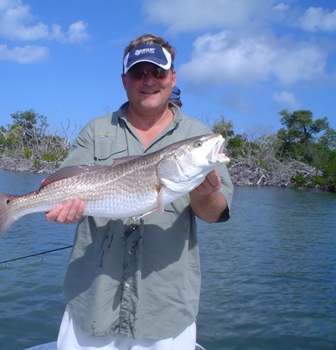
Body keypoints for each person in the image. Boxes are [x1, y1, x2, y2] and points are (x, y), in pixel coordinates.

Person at [45, 34, 234, 350]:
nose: (149, 81)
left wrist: (204, 193)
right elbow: (62, 185)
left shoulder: (197, 135)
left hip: (165, 308)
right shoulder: (96, 130)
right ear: (124, 80)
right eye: (138, 73)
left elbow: (216, 214)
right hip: (93, 299)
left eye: (158, 72)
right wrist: (58, 207)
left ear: (172, 77)